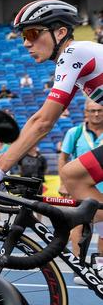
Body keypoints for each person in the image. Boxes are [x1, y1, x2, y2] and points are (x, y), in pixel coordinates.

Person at [0, 0, 103, 229]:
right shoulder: (77, 59)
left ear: (61, 32)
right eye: (23, 36)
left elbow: (43, 123)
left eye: (33, 33)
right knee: (73, 177)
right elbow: (41, 118)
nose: (26, 43)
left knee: (73, 180)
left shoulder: (73, 53)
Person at [59, 98, 103, 269]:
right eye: (92, 111)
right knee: (78, 226)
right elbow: (63, 158)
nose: (97, 114)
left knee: (102, 230)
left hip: (101, 189)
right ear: (86, 112)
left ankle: (99, 266)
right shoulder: (74, 132)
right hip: (80, 188)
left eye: (100, 110)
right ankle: (79, 266)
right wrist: (64, 183)